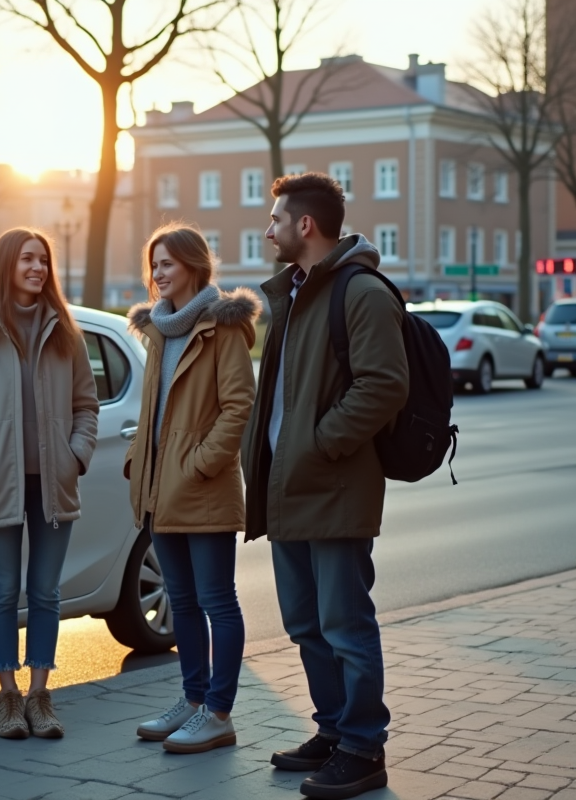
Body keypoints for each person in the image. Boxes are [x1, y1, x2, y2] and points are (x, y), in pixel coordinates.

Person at [241, 174, 409, 800]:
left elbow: (384, 385)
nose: (268, 230)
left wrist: (318, 443)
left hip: (333, 487)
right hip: (291, 486)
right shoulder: (296, 292)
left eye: (276, 219)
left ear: (304, 225)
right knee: (306, 623)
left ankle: (364, 748)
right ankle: (335, 730)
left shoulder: (359, 292)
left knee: (345, 623)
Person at [0, 227, 99, 740]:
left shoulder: (66, 335)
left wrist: (76, 456)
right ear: (6, 265)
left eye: (43, 260)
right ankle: (6, 696)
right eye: (27, 259)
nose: (37, 267)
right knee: (3, 592)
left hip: (54, 483)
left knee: (46, 592)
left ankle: (40, 695)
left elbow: (86, 407)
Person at [125, 223, 259, 754]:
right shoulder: (159, 328)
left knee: (216, 601)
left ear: (194, 267)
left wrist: (201, 465)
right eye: (153, 264)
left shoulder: (222, 328)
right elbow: (152, 408)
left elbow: (237, 407)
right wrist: (140, 456)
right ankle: (192, 698)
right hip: (162, 485)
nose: (158, 274)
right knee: (181, 601)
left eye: (168, 264)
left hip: (202, 487)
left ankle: (218, 712)